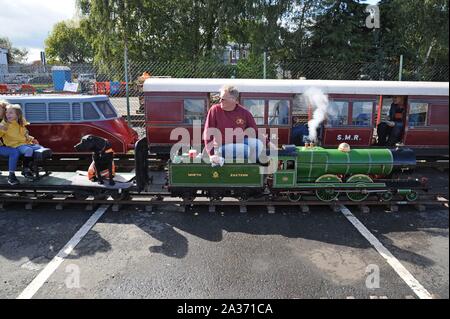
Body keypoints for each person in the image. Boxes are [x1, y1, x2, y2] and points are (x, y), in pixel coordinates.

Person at [203, 85, 266, 162]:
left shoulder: (244, 112)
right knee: (245, 149)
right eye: (220, 98)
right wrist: (211, 155)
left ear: (234, 100)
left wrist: (268, 143)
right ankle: (244, 165)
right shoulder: (214, 110)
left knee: (258, 144)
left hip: (238, 142)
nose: (220, 101)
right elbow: (208, 132)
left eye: (223, 99)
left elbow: (255, 131)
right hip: (221, 146)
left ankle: (251, 166)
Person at [0, 104, 45, 180]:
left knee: (39, 147)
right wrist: (1, 129)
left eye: (11, 113)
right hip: (15, 145)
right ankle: (25, 168)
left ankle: (31, 166)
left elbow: (24, 135)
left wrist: (32, 139)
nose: (8, 114)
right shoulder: (5, 124)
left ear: (17, 115)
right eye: (7, 112)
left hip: (24, 143)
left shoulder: (19, 124)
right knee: (28, 150)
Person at [0, 100, 21, 185]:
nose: (7, 113)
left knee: (16, 151)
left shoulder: (9, 121)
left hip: (5, 145)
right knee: (14, 152)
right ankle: (11, 176)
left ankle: (12, 175)